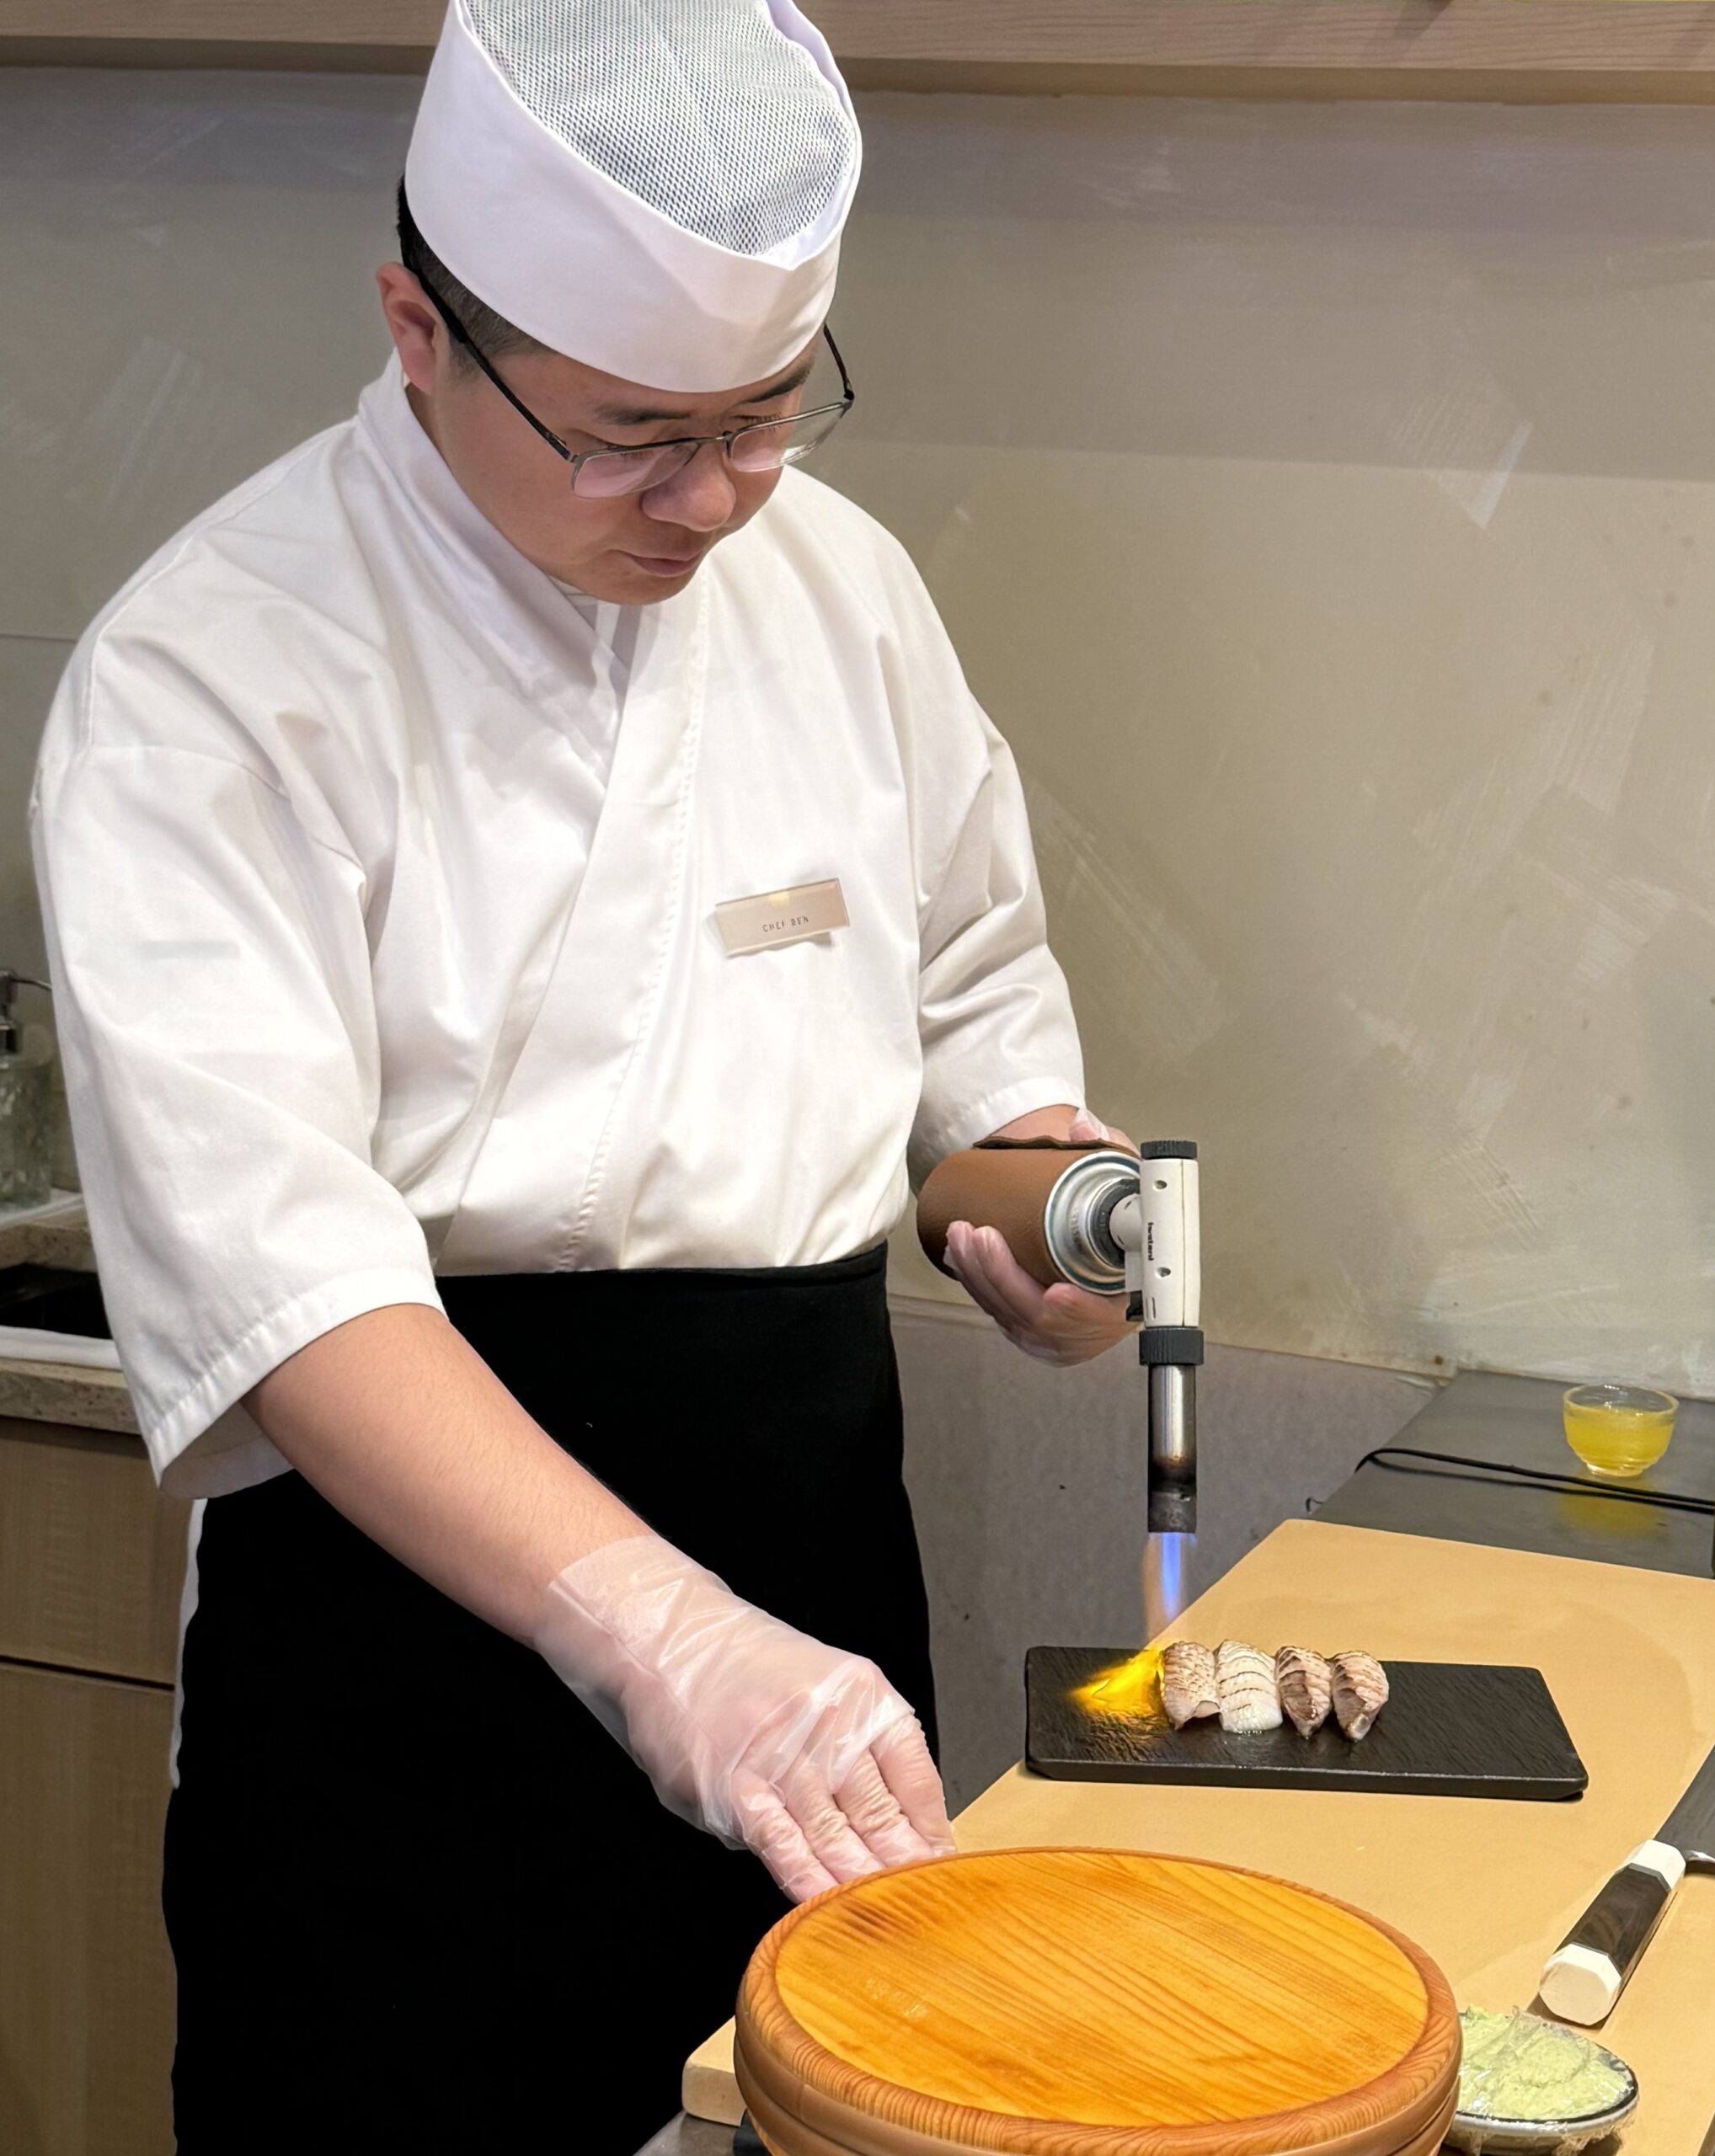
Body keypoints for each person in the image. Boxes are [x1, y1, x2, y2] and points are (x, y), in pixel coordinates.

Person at [31, 2, 1128, 2146]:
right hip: (402, 1632)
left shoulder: (842, 588)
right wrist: (662, 1636)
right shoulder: (210, 673)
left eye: (760, 418)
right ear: (418, 330)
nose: (709, 498)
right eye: (631, 433)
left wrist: (1050, 1203)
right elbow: (281, 1279)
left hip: (812, 1587)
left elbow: (971, 995)